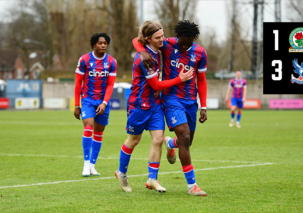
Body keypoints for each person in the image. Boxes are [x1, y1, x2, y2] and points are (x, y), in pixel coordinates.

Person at [115, 21, 193, 193]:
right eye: (158, 38)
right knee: (134, 140)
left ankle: (152, 179)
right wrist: (180, 79)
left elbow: (137, 40)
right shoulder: (144, 59)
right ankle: (121, 173)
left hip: (155, 103)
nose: (162, 40)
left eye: (163, 35)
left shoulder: (155, 50)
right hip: (139, 105)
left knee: (158, 139)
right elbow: (156, 85)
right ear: (148, 39)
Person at [132, 20, 208, 196]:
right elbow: (137, 40)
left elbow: (202, 80)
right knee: (185, 135)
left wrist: (203, 106)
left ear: (192, 40)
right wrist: (142, 52)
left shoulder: (200, 53)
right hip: (171, 98)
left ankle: (170, 143)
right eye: (180, 42)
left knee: (186, 142)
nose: (182, 46)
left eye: (186, 43)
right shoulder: (168, 43)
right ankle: (192, 186)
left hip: (190, 101)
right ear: (177, 37)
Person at [74, 33, 117, 177]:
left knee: (99, 133)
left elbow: (110, 85)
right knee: (88, 127)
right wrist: (76, 105)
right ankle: (86, 164)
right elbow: (77, 83)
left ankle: (92, 165)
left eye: (105, 43)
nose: (103, 45)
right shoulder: (85, 60)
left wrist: (104, 103)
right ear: (94, 44)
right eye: (100, 43)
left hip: (103, 102)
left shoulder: (111, 62)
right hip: (87, 100)